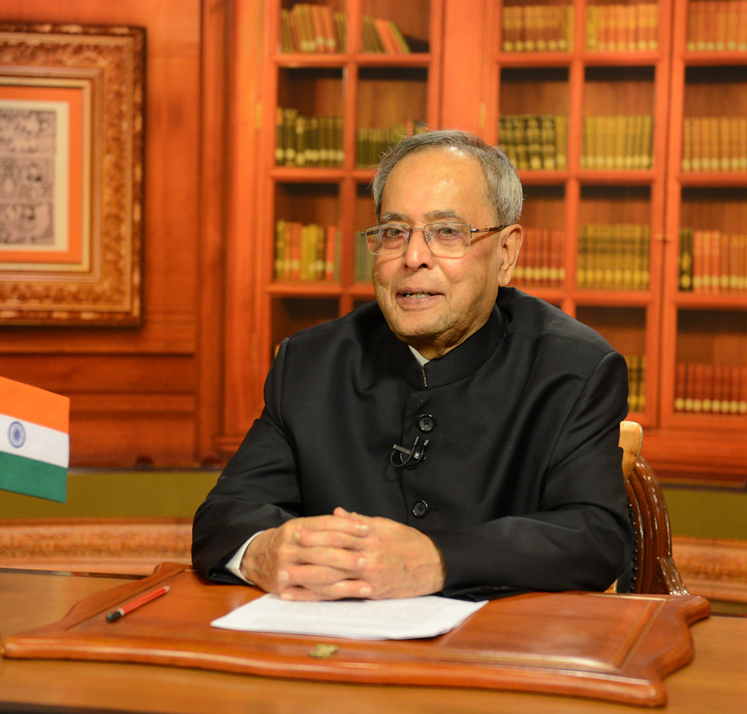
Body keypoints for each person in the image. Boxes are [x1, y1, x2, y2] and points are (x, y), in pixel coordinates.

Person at [192, 129, 634, 602]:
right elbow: (224, 515)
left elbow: (594, 536)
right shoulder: (309, 364)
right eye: (393, 232)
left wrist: (438, 560)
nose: (413, 258)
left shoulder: (575, 369)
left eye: (447, 232)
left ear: (505, 255)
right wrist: (263, 550)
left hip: (498, 657)